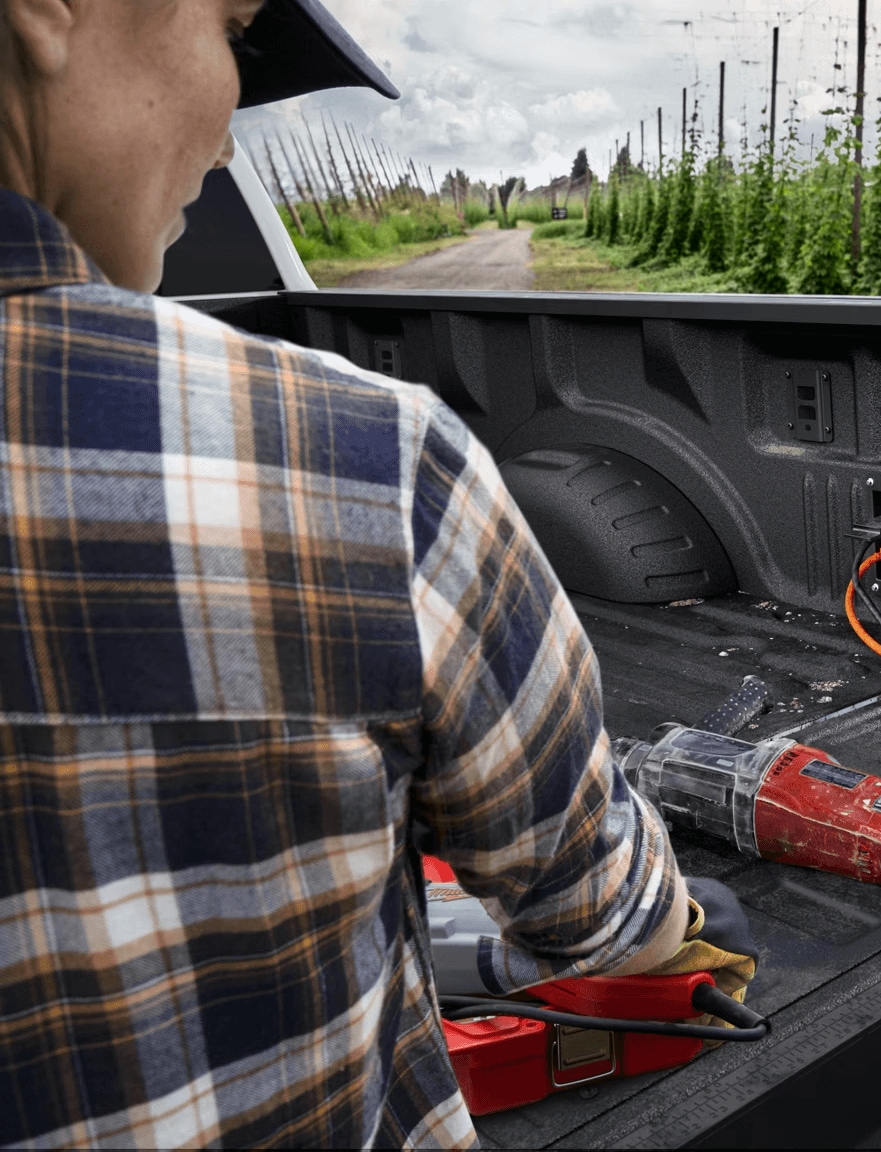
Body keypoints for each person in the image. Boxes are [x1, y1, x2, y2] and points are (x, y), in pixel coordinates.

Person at [0, 1, 750, 1145]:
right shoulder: (359, 459)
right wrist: (677, 912)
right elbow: (599, 913)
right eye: (232, 28)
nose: (229, 136)